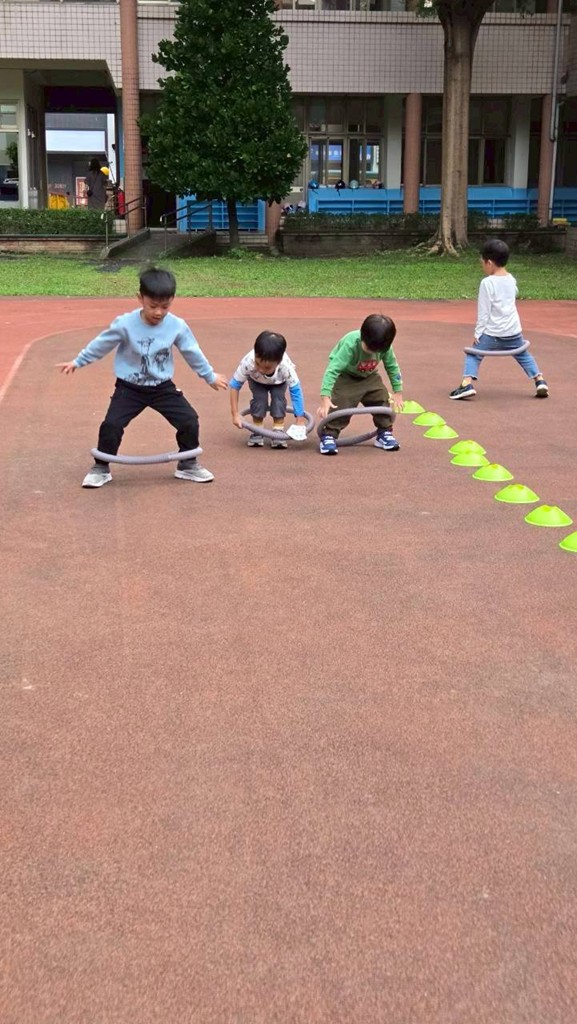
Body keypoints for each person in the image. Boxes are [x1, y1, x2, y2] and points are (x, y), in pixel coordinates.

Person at [57, 267, 228, 488]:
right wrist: (78, 361)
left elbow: (192, 352)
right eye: (153, 306)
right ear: (140, 298)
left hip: (162, 387)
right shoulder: (125, 324)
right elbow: (102, 344)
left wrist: (209, 375)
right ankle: (101, 467)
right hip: (129, 388)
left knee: (189, 419)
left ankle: (188, 464)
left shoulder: (176, 326)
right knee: (111, 425)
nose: (158, 312)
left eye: (165, 306)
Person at [450, 238, 549, 400]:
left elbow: (484, 311)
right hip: (513, 331)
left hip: (493, 333)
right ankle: (540, 381)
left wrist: (478, 333)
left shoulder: (487, 283)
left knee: (474, 354)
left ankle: (466, 384)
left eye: (482, 262)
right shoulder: (511, 279)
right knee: (523, 354)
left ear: (489, 263)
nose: (482, 265)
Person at [316, 314, 403, 456]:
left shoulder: (385, 347)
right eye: (369, 349)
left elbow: (392, 366)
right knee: (341, 403)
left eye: (377, 351)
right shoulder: (351, 344)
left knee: (381, 398)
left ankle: (384, 433)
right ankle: (329, 435)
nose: (372, 353)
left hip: (369, 376)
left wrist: (398, 391)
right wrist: (325, 397)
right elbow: (333, 369)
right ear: (362, 336)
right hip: (346, 376)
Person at [229, 331, 306, 449]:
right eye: (257, 364)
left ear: (278, 362)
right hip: (256, 381)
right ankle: (257, 429)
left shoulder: (285, 367)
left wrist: (300, 420)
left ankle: (278, 430)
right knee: (259, 399)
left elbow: (295, 391)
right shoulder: (248, 362)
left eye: (267, 368)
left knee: (278, 399)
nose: (260, 370)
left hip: (279, 382)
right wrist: (235, 414)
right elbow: (235, 385)